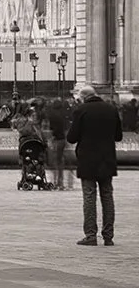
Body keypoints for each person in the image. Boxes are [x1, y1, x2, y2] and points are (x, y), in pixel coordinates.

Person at [70, 86, 122, 247]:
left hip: (87, 160)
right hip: (107, 159)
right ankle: (108, 236)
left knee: (89, 196)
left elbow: (72, 137)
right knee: (107, 196)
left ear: (84, 97)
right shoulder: (111, 109)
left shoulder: (81, 110)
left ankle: (90, 235)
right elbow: (118, 136)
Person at [44, 95, 74, 191]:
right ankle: (64, 181)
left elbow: (50, 128)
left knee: (55, 161)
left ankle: (56, 181)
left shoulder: (52, 115)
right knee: (62, 160)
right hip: (62, 139)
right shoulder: (63, 114)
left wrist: (51, 137)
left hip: (56, 139)